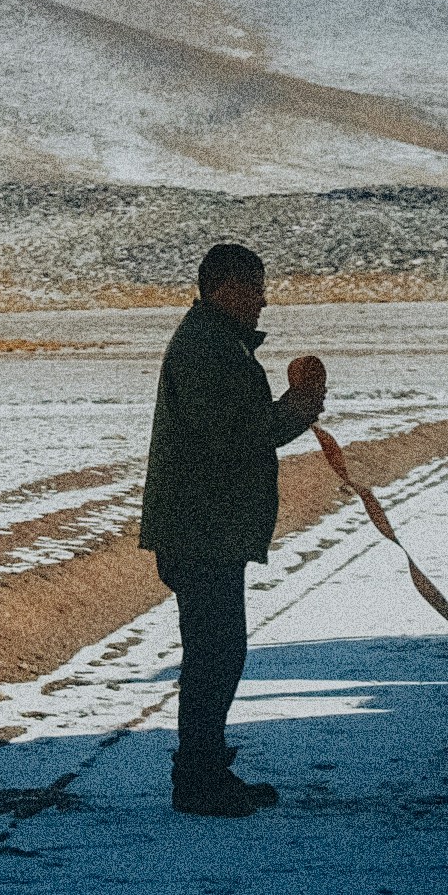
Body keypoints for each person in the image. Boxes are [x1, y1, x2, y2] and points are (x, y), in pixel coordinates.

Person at [142, 239, 327, 813]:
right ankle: (197, 779)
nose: (264, 303)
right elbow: (237, 437)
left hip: (204, 523)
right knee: (215, 655)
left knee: (216, 652)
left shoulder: (213, 342)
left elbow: (238, 433)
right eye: (256, 289)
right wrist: (298, 407)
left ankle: (204, 769)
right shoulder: (208, 349)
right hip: (202, 527)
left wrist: (297, 407)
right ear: (226, 288)